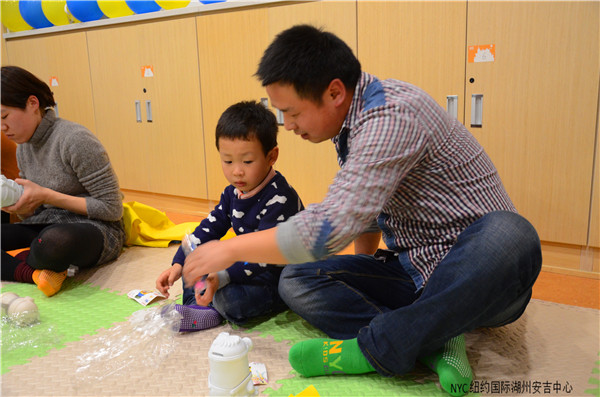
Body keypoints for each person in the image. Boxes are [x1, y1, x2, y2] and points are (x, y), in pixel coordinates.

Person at [181, 25, 542, 396]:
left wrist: (226, 249)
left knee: (512, 235)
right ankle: (432, 338)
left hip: (480, 280)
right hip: (415, 271)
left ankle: (375, 348)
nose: (287, 126)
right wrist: (358, 269)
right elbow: (366, 211)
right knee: (296, 279)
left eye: (291, 113)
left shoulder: (390, 115)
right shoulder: (352, 125)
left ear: (334, 92)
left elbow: (329, 228)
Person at [155, 100, 304, 332]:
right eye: (227, 161)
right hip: (241, 266)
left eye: (247, 161)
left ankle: (213, 308)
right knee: (193, 267)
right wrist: (178, 264)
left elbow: (264, 256)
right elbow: (208, 228)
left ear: (271, 156)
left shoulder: (279, 198)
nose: (237, 171)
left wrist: (222, 276)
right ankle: (200, 308)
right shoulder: (232, 193)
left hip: (272, 275)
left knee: (231, 300)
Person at [1, 65, 126, 297]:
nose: (2, 127)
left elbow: (112, 209)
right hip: (47, 223)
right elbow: (34, 214)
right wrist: (21, 207)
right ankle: (36, 273)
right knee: (45, 242)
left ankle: (29, 263)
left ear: (32, 103)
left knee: (53, 243)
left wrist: (46, 195)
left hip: (94, 226)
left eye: (4, 116)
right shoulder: (23, 148)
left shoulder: (74, 139)